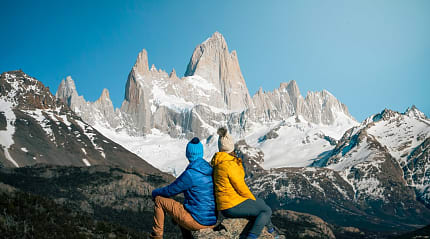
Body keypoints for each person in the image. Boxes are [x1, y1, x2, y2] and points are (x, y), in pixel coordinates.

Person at [211, 127, 282, 239]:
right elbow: (240, 186)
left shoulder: (218, 162)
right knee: (266, 209)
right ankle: (255, 236)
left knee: (261, 202)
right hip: (232, 205)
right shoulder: (229, 164)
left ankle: (271, 231)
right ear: (231, 147)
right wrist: (251, 198)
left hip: (226, 204)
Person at [150, 137, 217, 239]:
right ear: (201, 153)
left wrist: (155, 193)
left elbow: (169, 191)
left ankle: (156, 237)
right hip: (212, 221)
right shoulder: (210, 170)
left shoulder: (190, 174)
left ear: (188, 154)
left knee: (159, 200)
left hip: (197, 221)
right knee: (182, 210)